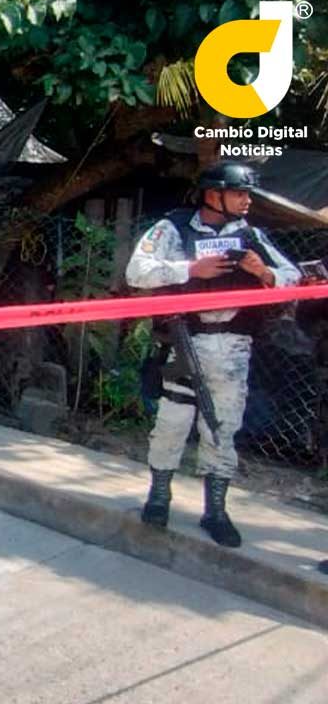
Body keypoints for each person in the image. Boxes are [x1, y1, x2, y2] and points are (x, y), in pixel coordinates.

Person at [126, 160, 299, 548]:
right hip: (182, 344)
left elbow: (294, 279)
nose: (246, 201)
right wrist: (191, 269)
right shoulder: (172, 228)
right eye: (238, 193)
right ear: (212, 194)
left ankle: (216, 511)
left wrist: (264, 272)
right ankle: (159, 497)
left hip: (232, 348)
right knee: (171, 423)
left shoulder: (251, 235)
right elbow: (137, 271)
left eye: (247, 194)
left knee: (222, 429)